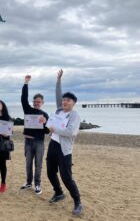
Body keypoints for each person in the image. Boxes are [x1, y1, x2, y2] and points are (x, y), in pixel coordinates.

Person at [46, 69, 83, 216]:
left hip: (64, 149)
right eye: (64, 100)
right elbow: (58, 95)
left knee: (66, 177)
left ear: (73, 103)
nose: (65, 101)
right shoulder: (59, 111)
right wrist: (58, 81)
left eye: (68, 100)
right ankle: (59, 192)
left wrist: (55, 130)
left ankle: (78, 202)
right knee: (50, 172)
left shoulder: (75, 115)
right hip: (53, 145)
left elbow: (71, 132)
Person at [20, 75, 49, 195]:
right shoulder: (28, 110)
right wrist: (26, 83)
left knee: (38, 165)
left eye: (39, 102)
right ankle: (28, 182)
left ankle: (37, 185)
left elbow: (47, 131)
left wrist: (45, 123)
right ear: (33, 102)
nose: (36, 103)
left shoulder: (45, 114)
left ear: (42, 103)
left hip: (39, 142)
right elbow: (23, 99)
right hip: (28, 141)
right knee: (28, 164)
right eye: (35, 101)